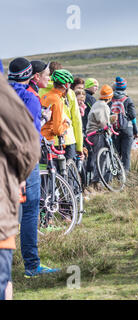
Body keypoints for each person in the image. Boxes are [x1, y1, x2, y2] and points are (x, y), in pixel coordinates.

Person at [7, 58, 61, 279]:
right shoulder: (29, 97)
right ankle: (31, 266)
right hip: (24, 162)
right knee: (30, 211)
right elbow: (28, 134)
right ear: (31, 75)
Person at [1, 70, 41, 300]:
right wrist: (17, 176)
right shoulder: (17, 96)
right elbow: (28, 146)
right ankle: (31, 264)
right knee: (30, 211)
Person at [39, 63, 84, 161]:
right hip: (67, 138)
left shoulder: (41, 91)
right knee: (69, 174)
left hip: (45, 139)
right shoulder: (69, 93)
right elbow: (76, 120)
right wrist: (79, 146)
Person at [86, 85, 116, 190]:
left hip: (92, 134)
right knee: (101, 158)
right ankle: (97, 182)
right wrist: (110, 129)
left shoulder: (97, 104)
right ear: (110, 97)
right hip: (97, 134)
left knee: (97, 157)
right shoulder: (103, 106)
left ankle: (96, 181)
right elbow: (103, 123)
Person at [110, 76, 138, 172]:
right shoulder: (128, 99)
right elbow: (133, 116)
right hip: (127, 130)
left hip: (114, 130)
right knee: (126, 155)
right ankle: (124, 176)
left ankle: (115, 174)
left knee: (116, 154)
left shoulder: (111, 99)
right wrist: (135, 130)